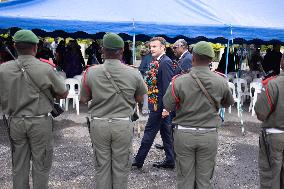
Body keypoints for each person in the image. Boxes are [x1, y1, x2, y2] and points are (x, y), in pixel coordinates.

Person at [0, 30, 68, 189]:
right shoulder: (45, 68)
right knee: (41, 165)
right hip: (39, 122)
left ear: (15, 46)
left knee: (19, 166)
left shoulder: (3, 70)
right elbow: (64, 93)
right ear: (35, 48)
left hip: (15, 121)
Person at [163, 41, 234, 189]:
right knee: (204, 180)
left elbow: (168, 105)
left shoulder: (179, 81)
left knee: (184, 179)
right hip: (208, 134)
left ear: (193, 57)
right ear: (211, 59)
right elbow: (228, 103)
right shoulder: (220, 81)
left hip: (184, 134)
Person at [80, 33, 147, 189]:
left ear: (103, 50)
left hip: (99, 124)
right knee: (121, 168)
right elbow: (140, 98)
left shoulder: (91, 72)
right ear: (122, 50)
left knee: (102, 167)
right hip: (122, 125)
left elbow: (83, 98)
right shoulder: (133, 73)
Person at [132, 37, 175, 169]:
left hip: (160, 106)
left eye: (154, 47)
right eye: (151, 47)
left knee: (149, 132)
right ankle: (170, 160)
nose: (151, 49)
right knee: (166, 133)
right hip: (158, 105)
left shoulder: (165, 62)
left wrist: (166, 108)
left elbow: (168, 87)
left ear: (163, 47)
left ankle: (138, 161)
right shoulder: (157, 61)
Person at [254, 56, 284, 189]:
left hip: (274, 136)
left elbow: (260, 113)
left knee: (271, 176)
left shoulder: (273, 84)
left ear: (282, 62)